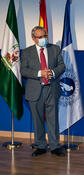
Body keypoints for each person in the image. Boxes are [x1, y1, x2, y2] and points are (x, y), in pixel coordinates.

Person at [21, 26, 66, 157]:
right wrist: (40, 73)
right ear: (34, 39)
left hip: (51, 89)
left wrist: (52, 72)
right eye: (40, 37)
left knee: (53, 119)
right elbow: (23, 70)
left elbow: (62, 66)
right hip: (35, 90)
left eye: (45, 36)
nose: (44, 39)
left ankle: (54, 146)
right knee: (38, 119)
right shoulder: (27, 52)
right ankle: (40, 145)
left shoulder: (55, 49)